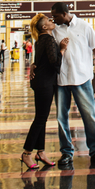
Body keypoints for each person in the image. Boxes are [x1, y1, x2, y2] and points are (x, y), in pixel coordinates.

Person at [48, 2, 95, 169]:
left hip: (82, 79)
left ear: (64, 13)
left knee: (89, 116)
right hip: (62, 81)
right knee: (61, 118)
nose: (53, 19)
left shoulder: (85, 27)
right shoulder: (54, 30)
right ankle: (66, 152)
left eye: (55, 15)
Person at [21, 13, 69, 170]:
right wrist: (62, 49)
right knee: (40, 118)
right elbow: (55, 63)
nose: (51, 21)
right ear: (44, 27)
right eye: (48, 20)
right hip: (45, 83)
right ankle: (27, 153)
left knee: (42, 118)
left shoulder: (40, 40)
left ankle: (40, 152)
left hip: (41, 82)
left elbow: (40, 60)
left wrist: (34, 65)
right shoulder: (48, 39)